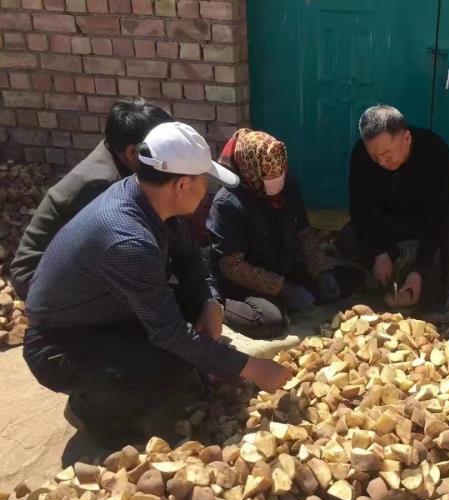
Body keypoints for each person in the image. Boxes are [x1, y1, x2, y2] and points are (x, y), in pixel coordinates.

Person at [23, 122, 291, 447]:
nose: (207, 189)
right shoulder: (128, 239)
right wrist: (253, 368)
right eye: (204, 180)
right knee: (168, 367)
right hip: (59, 343)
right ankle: (92, 409)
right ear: (182, 185)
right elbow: (170, 334)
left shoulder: (148, 198)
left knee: (186, 345)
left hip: (108, 311)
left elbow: (190, 258)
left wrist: (211, 303)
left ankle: (161, 372)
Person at [10, 98, 173, 300]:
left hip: (68, 268)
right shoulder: (104, 185)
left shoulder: (118, 155)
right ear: (133, 153)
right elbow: (131, 252)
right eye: (166, 150)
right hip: (37, 281)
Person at [341, 104, 449, 322]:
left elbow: (439, 215)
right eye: (374, 156)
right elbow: (361, 208)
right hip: (389, 225)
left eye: (386, 154)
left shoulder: (434, 151)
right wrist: (378, 252)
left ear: (407, 138)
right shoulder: (361, 153)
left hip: (426, 224)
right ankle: (385, 280)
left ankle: (444, 293)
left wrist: (419, 270)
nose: (381, 162)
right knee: (348, 235)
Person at [206, 129, 343, 338]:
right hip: (247, 282)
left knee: (347, 279)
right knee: (269, 320)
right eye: (267, 176)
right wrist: (282, 288)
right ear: (251, 169)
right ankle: (223, 307)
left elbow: (304, 234)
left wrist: (322, 271)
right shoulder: (228, 204)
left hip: (284, 265)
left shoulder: (289, 187)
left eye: (279, 174)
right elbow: (232, 266)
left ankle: (289, 300)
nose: (276, 181)